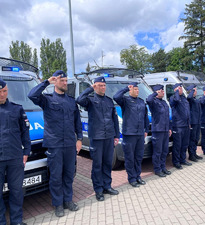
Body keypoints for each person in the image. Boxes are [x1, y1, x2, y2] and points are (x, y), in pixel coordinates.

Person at [28, 70, 83, 217]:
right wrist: (46, 82)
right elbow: (31, 95)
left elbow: (77, 122)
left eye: (66, 81)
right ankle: (58, 204)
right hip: (55, 145)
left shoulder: (72, 101)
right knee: (56, 176)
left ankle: (68, 200)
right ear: (55, 82)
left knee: (69, 174)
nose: (65, 83)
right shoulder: (47, 99)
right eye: (62, 81)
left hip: (70, 144)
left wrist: (79, 140)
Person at [76, 76, 120, 201]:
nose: (103, 87)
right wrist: (90, 88)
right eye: (100, 85)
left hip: (109, 137)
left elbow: (114, 119)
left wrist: (116, 135)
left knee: (107, 163)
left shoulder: (109, 101)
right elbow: (79, 100)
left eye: (104, 85)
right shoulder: (90, 100)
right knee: (97, 165)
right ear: (95, 86)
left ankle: (107, 186)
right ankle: (98, 190)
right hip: (97, 137)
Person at [0, 79, 30, 225]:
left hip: (14, 157)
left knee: (16, 191)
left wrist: (26, 151)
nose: (2, 94)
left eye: (4, 91)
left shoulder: (16, 109)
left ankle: (16, 221)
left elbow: (25, 132)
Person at [113, 82, 149, 187]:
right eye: (135, 89)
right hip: (129, 134)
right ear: (131, 90)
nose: (137, 91)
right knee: (130, 158)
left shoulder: (141, 102)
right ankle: (132, 178)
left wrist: (146, 129)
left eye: (138, 89)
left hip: (140, 134)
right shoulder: (125, 101)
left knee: (138, 157)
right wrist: (125, 88)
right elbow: (116, 96)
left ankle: (138, 176)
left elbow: (145, 117)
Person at [146, 85, 172, 177]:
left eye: (163, 91)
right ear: (157, 92)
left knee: (165, 151)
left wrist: (169, 128)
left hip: (165, 130)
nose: (163, 92)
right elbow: (148, 99)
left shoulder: (164, 102)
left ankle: (163, 167)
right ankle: (157, 169)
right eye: (161, 91)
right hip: (157, 130)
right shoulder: (153, 102)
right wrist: (155, 92)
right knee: (157, 152)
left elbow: (167, 117)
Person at [169, 83, 191, 169]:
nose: (181, 89)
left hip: (185, 125)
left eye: (181, 88)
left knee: (184, 144)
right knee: (177, 145)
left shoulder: (184, 99)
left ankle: (183, 160)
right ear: (175, 90)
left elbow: (187, 112)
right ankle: (176, 162)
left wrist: (189, 123)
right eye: (179, 88)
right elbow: (176, 100)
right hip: (178, 126)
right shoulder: (173, 98)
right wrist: (177, 92)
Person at [186, 84, 202, 162]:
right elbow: (189, 97)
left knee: (196, 138)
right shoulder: (190, 99)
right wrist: (192, 90)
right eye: (194, 90)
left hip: (198, 122)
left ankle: (194, 153)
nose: (196, 92)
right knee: (192, 139)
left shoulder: (196, 99)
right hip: (193, 122)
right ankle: (191, 155)